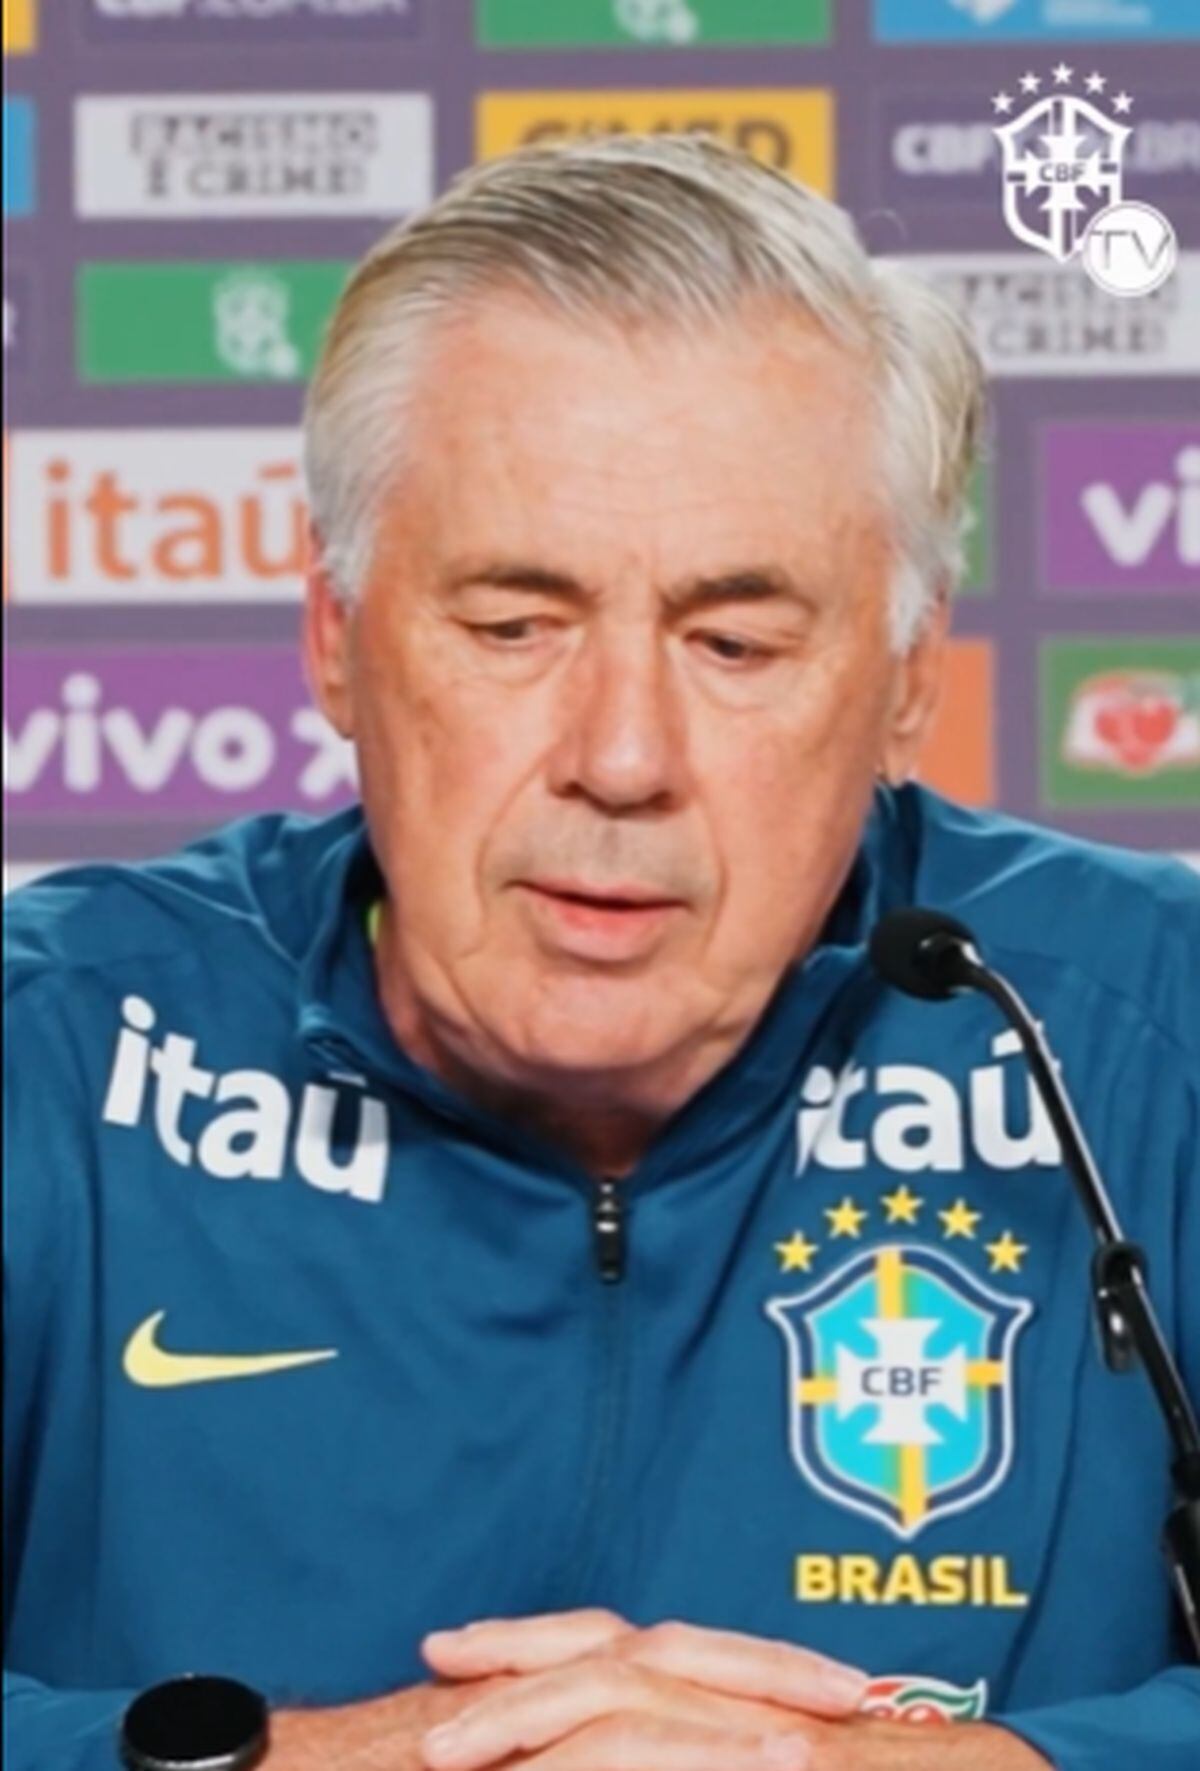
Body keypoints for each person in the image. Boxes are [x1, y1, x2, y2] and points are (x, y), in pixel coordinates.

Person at [4, 134, 1197, 1771]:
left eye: (736, 642)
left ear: (910, 679)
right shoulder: (55, 1052)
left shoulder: (1157, 1036)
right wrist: (314, 1765)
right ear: (337, 643)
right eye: (514, 626)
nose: (622, 754)